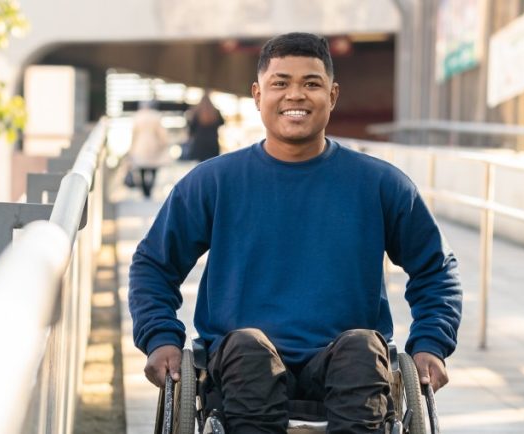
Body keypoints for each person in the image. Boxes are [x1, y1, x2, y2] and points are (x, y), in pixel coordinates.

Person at [129, 32, 462, 433]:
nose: (295, 95)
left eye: (311, 83)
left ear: (333, 95)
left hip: (346, 364)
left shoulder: (379, 183)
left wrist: (430, 343)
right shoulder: (214, 182)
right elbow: (153, 264)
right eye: (280, 83)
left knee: (362, 347)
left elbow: (436, 269)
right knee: (248, 346)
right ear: (257, 94)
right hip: (240, 366)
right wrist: (160, 336)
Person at [127, 100, 170, 199]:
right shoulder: (156, 116)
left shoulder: (137, 116)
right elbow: (161, 132)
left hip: (140, 145)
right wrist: (164, 143)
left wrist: (131, 148)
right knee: (153, 169)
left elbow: (134, 133)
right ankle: (149, 189)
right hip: (154, 145)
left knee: (141, 169)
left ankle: (144, 191)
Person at [184, 92, 225, 162]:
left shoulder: (196, 112)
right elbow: (222, 122)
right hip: (212, 142)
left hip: (200, 143)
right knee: (212, 164)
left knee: (201, 165)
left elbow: (191, 128)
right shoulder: (215, 111)